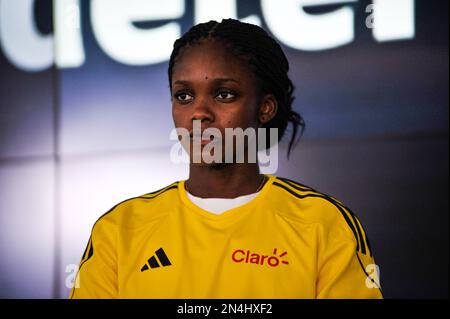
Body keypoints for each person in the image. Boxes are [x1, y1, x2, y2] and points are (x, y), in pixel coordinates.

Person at [70, 19, 383, 299]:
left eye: (224, 94)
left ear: (265, 108)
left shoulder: (323, 225)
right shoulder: (118, 230)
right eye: (184, 96)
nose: (199, 113)